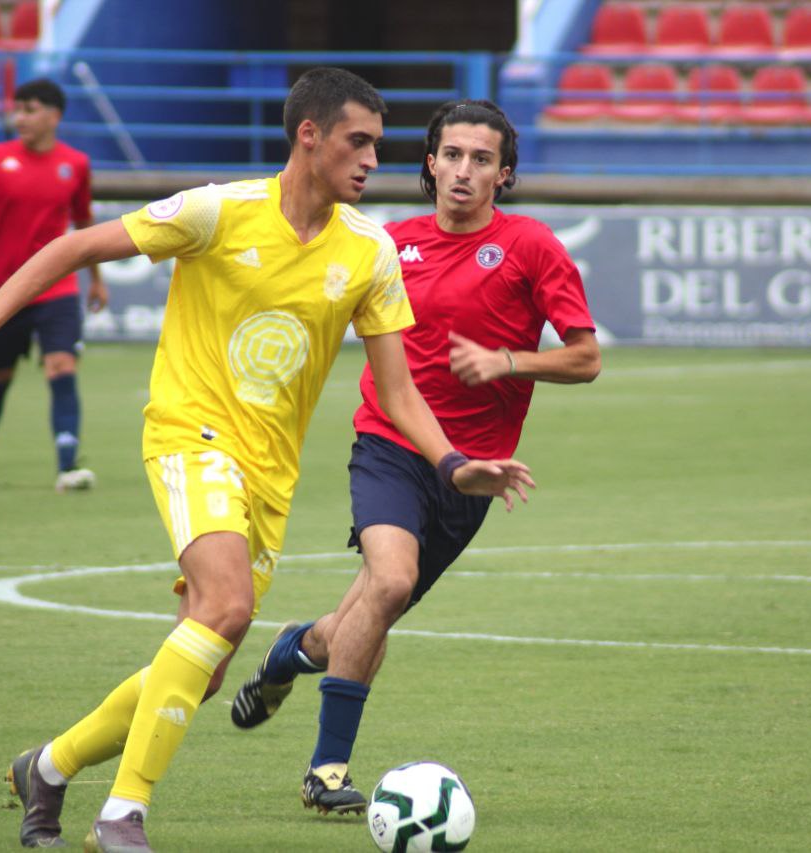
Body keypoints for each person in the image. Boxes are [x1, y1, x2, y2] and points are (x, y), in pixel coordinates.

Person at [0, 69, 533, 853]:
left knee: (205, 658)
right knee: (226, 606)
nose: (372, 159)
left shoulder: (369, 251)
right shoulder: (218, 209)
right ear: (310, 136)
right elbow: (73, 245)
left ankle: (48, 767)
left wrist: (454, 463)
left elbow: (398, 394)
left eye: (376, 144)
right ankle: (122, 816)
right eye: (358, 141)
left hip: (268, 473)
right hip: (189, 435)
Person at [227, 99, 601, 814]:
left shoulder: (531, 246)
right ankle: (327, 770)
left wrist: (508, 362)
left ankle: (290, 654)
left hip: (475, 474)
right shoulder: (384, 243)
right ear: (429, 163)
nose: (464, 171)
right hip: (391, 446)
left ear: (505, 173)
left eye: (481, 159)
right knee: (390, 582)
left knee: (361, 620)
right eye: (452, 155)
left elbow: (585, 357)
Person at [0, 77, 108, 494]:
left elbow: (84, 225)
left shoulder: (76, 164)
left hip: (58, 290)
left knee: (62, 366)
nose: (19, 117)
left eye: (30, 109)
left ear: (55, 116)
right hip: (5, 291)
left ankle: (67, 467)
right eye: (17, 109)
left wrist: (96, 279)